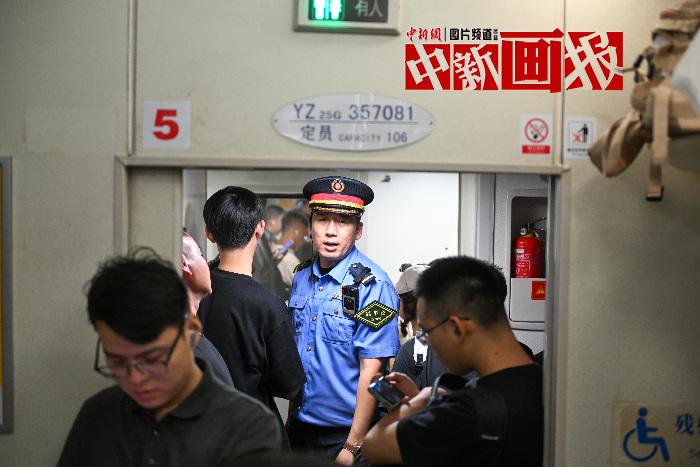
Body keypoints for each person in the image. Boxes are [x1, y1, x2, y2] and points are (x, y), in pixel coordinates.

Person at [58, 248, 281, 466]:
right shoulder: (98, 415)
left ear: (192, 331)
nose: (135, 378)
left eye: (152, 359)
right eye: (118, 362)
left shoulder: (248, 428)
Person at [363, 256, 543, 467]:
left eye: (427, 332)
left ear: (457, 328)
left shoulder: (464, 415)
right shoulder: (549, 384)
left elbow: (373, 446)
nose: (428, 342)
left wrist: (417, 401)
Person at [287, 176, 400, 465]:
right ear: (310, 226)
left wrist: (352, 446)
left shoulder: (374, 286)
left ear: (358, 230)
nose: (331, 232)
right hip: (299, 428)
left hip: (345, 435)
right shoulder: (301, 277)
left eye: (343, 222)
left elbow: (372, 371)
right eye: (323, 220)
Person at [198, 186, 306, 446]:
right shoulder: (268, 305)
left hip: (202, 429)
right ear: (260, 228)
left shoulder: (193, 294)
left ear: (209, 233)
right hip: (254, 434)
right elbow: (291, 388)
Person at [181, 230, 233, 386]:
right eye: (201, 256)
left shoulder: (193, 334)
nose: (207, 264)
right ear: (184, 264)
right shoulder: (184, 347)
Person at [271, 210, 310, 286]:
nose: (304, 241)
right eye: (304, 236)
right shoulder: (290, 260)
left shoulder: (271, 249)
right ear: (296, 232)